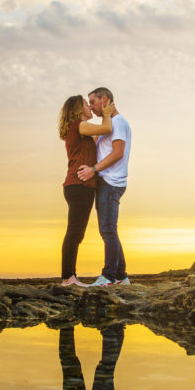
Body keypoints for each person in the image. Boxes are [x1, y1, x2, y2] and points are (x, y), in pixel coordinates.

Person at [58, 95, 116, 287]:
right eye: (86, 103)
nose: (89, 106)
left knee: (76, 233)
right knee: (74, 232)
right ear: (77, 109)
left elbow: (99, 137)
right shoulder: (80, 125)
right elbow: (107, 128)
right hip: (79, 185)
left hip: (78, 186)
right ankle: (68, 277)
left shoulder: (81, 130)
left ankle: (69, 277)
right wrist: (106, 114)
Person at [77, 87, 132, 286]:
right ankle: (121, 276)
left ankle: (108, 277)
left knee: (108, 230)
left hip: (110, 181)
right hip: (107, 181)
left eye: (93, 102)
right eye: (89, 103)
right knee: (110, 230)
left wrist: (93, 169)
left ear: (105, 99)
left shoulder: (118, 122)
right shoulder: (109, 123)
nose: (91, 106)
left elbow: (118, 152)